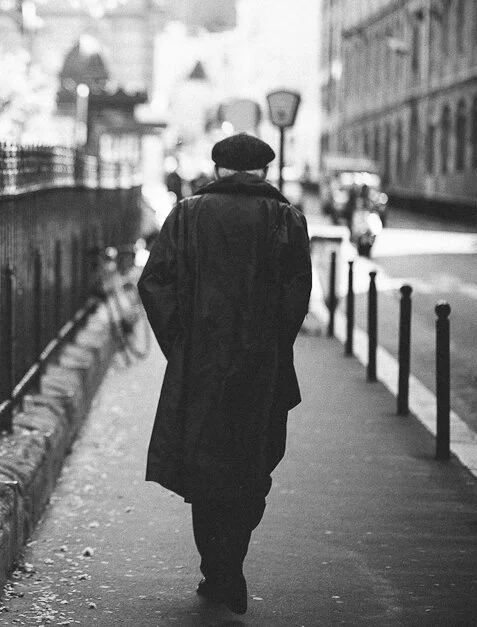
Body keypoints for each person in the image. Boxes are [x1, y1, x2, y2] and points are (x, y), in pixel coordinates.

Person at [137, 133, 312, 615]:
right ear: (263, 172)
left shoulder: (187, 214)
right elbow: (297, 292)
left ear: (218, 170)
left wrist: (181, 343)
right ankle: (229, 565)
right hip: (262, 368)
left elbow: (154, 281)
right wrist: (274, 343)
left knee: (205, 466)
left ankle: (218, 569)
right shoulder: (285, 218)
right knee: (253, 463)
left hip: (201, 367)